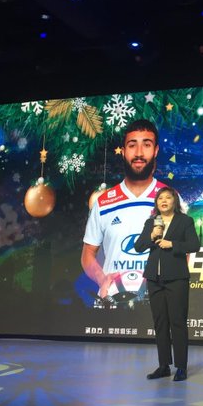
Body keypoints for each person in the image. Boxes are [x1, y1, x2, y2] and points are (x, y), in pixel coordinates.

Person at [81, 119, 168, 302]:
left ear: (156, 150)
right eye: (132, 145)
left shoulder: (171, 200)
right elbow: (87, 254)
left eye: (146, 145)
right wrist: (102, 279)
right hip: (112, 303)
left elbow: (185, 254)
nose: (139, 153)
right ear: (123, 151)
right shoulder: (104, 202)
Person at [135, 186, 200, 381]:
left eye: (168, 198)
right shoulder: (151, 222)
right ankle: (163, 365)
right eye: (160, 198)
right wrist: (151, 236)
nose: (163, 201)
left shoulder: (184, 221)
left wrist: (172, 244)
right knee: (160, 322)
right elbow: (138, 246)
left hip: (176, 278)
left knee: (177, 322)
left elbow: (194, 245)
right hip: (154, 279)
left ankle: (181, 367)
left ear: (174, 201)